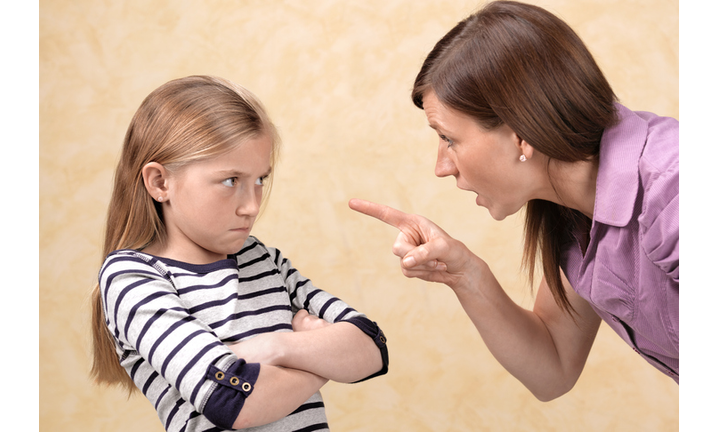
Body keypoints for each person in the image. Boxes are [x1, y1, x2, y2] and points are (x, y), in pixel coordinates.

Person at [350, 0, 677, 401]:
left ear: (522, 135)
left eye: (448, 138)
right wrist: (465, 274)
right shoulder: (576, 218)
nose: (441, 166)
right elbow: (553, 367)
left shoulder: (675, 190)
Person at [90, 75, 389, 431]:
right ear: (160, 182)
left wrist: (276, 347)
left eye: (260, 179)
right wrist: (321, 357)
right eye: (231, 181)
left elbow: (372, 348)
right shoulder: (132, 277)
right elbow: (235, 402)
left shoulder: (262, 258)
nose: (251, 206)